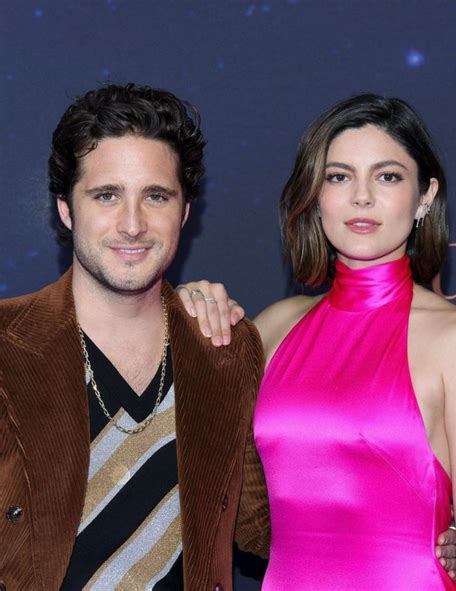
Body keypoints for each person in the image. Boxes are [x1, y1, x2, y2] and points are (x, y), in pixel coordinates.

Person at [178, 94, 456, 589]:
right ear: (315, 195)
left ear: (425, 196)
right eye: (338, 176)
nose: (361, 197)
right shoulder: (273, 328)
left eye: (388, 176)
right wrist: (180, 314)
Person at [0, 83, 269, 590]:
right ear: (65, 208)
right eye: (107, 195)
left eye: (155, 196)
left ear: (184, 212)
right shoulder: (7, 347)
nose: (131, 224)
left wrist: (431, 532)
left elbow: (265, 527)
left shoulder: (226, 349)